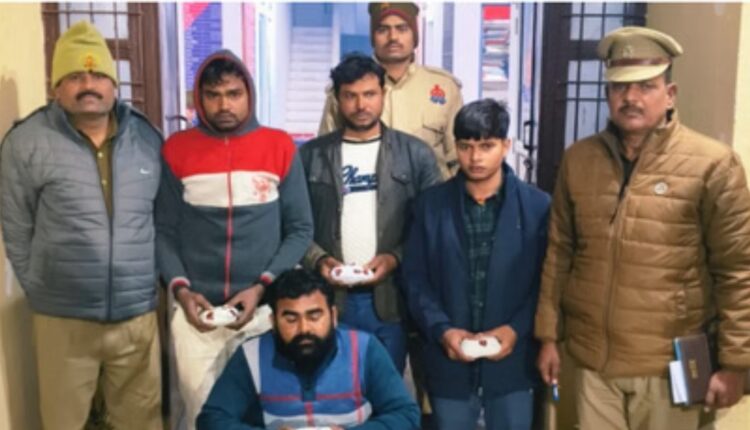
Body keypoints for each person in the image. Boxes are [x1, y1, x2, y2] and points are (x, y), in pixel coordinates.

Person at [535, 26, 750, 430]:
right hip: (591, 363)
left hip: (669, 368)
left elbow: (738, 270)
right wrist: (549, 337)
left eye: (646, 86)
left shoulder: (713, 165)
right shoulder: (579, 160)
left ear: (670, 94)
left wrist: (737, 363)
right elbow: (559, 253)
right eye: (620, 87)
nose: (630, 98)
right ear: (607, 94)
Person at [0, 21, 163, 429]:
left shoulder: (146, 139)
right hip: (63, 320)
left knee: (141, 421)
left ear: (114, 85)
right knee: (64, 422)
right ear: (57, 87)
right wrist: (43, 287)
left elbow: (163, 220)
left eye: (98, 76)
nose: (88, 85)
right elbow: (16, 227)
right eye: (75, 76)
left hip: (136, 319)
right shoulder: (26, 142)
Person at [156, 50, 314, 429]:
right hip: (196, 316)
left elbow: (300, 229)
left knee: (263, 413)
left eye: (233, 94)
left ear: (249, 94)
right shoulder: (177, 149)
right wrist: (181, 290)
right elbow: (163, 231)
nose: (224, 105)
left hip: (262, 312)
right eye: (213, 95)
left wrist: (262, 287)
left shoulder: (278, 146)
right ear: (199, 99)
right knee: (203, 414)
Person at [401, 99, 550, 429]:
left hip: (514, 361)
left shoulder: (537, 207)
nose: (475, 157)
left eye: (486, 146)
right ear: (455, 146)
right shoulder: (429, 206)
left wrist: (516, 329)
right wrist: (443, 330)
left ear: (506, 145)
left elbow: (546, 283)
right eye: (466, 146)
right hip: (448, 360)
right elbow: (415, 279)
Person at [300, 53, 442, 374]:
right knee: (331, 389)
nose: (361, 105)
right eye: (350, 96)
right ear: (337, 99)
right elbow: (293, 223)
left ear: (383, 94)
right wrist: (319, 259)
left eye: (369, 94)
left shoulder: (415, 154)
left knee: (383, 391)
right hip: (328, 300)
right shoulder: (311, 156)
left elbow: (433, 227)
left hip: (391, 300)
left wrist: (394, 257)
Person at [197, 268, 420, 430]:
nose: (304, 329)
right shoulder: (251, 354)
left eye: (314, 316)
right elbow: (212, 419)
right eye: (291, 319)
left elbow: (406, 415)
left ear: (333, 316)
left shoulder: (365, 349)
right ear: (273, 321)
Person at [318, 2, 462, 179]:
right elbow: (323, 156)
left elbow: (458, 158)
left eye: (402, 28)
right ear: (373, 37)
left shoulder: (445, 87)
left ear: (414, 35)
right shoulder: (347, 87)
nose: (393, 37)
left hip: (431, 193)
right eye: (383, 29)